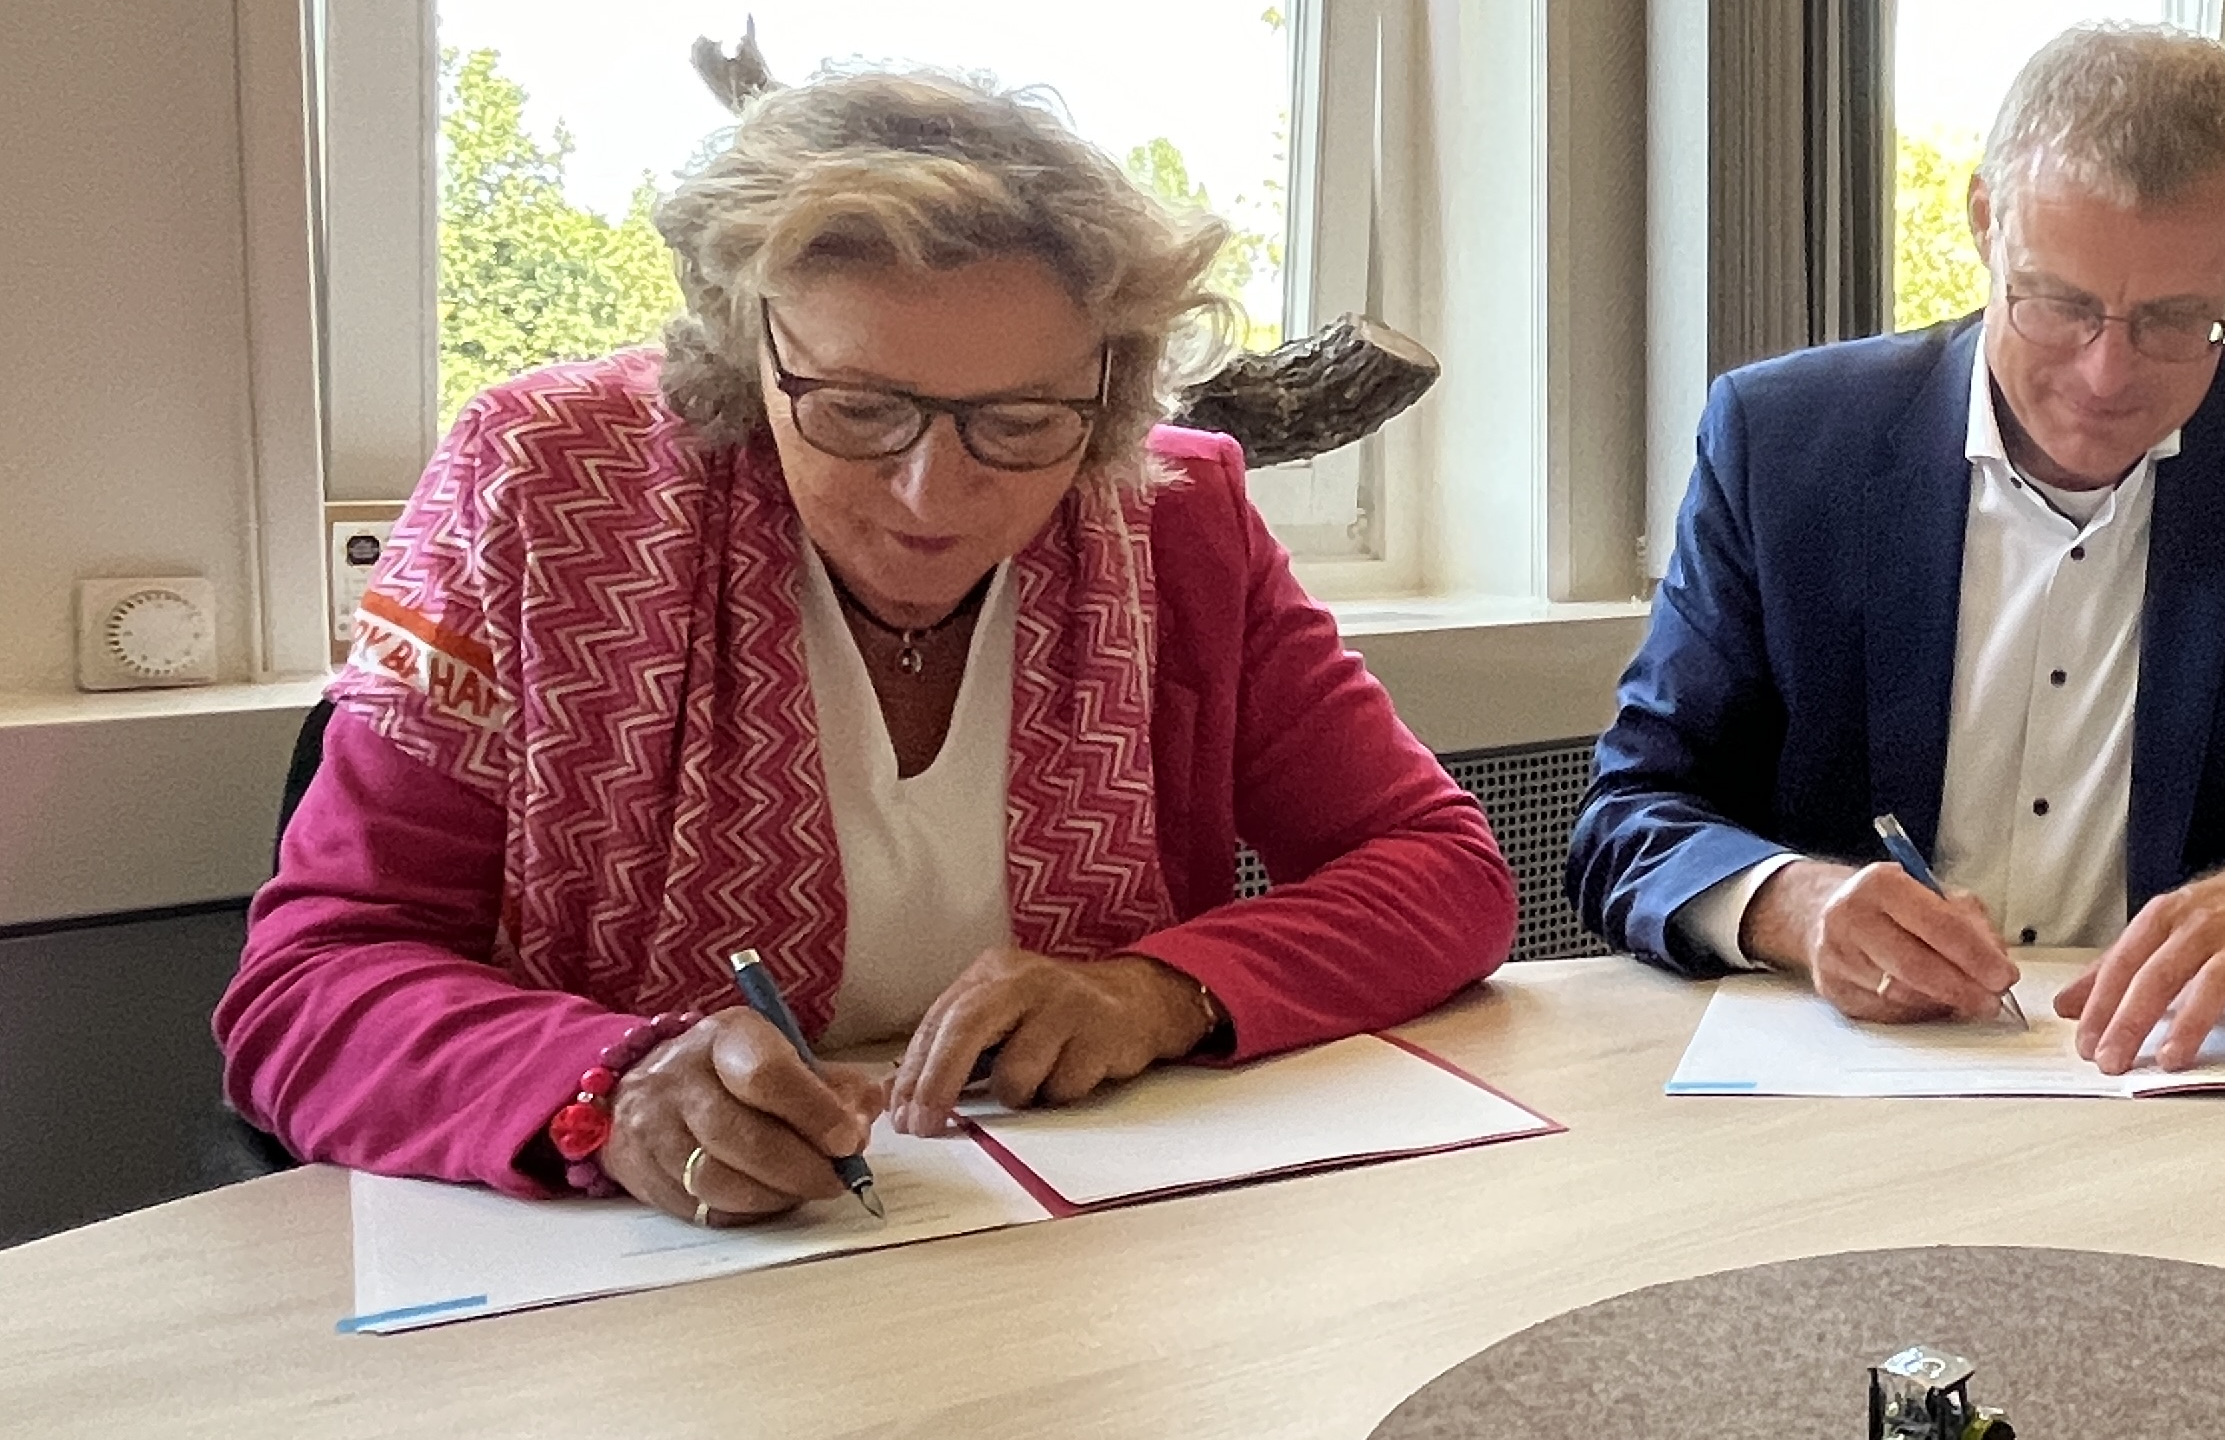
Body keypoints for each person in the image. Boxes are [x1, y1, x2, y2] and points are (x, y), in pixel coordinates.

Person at [222, 70, 1518, 1222]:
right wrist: (609, 1088)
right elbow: (313, 984)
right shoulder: (538, 489)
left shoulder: (1176, 524)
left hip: (1079, 1262)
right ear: (749, 358)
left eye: (1019, 424)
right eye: (854, 409)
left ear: (1108, 401)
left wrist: (1151, 992)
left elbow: (1440, 871)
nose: (927, 496)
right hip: (622, 1298)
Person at [1570, 24, 2225, 1073]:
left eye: (2176, 320)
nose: (2104, 373)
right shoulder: (1787, 443)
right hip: (1839, 1087)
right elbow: (1630, 819)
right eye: (2060, 304)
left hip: (2185, 1082)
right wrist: (1796, 908)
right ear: (1987, 222)